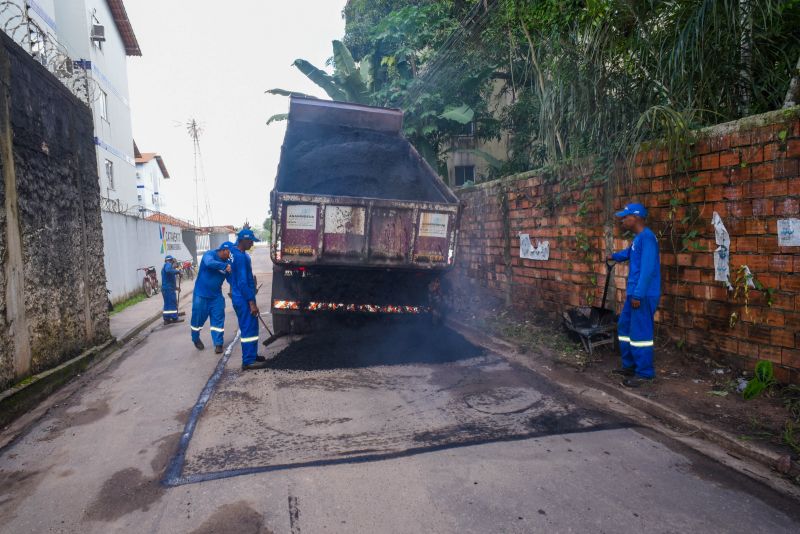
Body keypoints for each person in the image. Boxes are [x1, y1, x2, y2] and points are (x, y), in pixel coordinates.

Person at [608, 202, 661, 388]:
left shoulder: (647, 238)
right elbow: (629, 253)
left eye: (626, 217)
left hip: (643, 294)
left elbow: (647, 270)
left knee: (640, 332)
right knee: (624, 326)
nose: (623, 220)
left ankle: (645, 373)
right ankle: (629, 365)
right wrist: (613, 257)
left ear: (636, 217)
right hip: (635, 293)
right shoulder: (639, 239)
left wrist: (638, 295)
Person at [230, 228, 268, 370]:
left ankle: (252, 355)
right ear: (243, 240)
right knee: (248, 328)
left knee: (252, 327)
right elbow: (241, 282)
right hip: (243, 298)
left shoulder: (238, 253)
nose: (252, 243)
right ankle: (248, 361)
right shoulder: (239, 257)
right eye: (251, 241)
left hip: (242, 296)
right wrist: (251, 302)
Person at [191, 242, 234, 353]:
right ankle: (195, 338)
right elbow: (210, 263)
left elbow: (231, 279)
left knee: (218, 319)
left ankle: (218, 344)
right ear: (224, 250)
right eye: (229, 252)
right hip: (201, 295)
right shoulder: (209, 255)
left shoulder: (228, 262)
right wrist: (224, 266)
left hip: (216, 296)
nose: (230, 254)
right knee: (197, 320)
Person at [161, 256, 183, 325]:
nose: (175, 266)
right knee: (172, 303)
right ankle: (174, 318)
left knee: (168, 304)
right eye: (174, 263)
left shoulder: (169, 268)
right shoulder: (168, 265)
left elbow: (169, 281)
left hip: (168, 288)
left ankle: (167, 319)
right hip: (168, 289)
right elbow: (168, 270)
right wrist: (178, 272)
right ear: (171, 261)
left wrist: (176, 288)